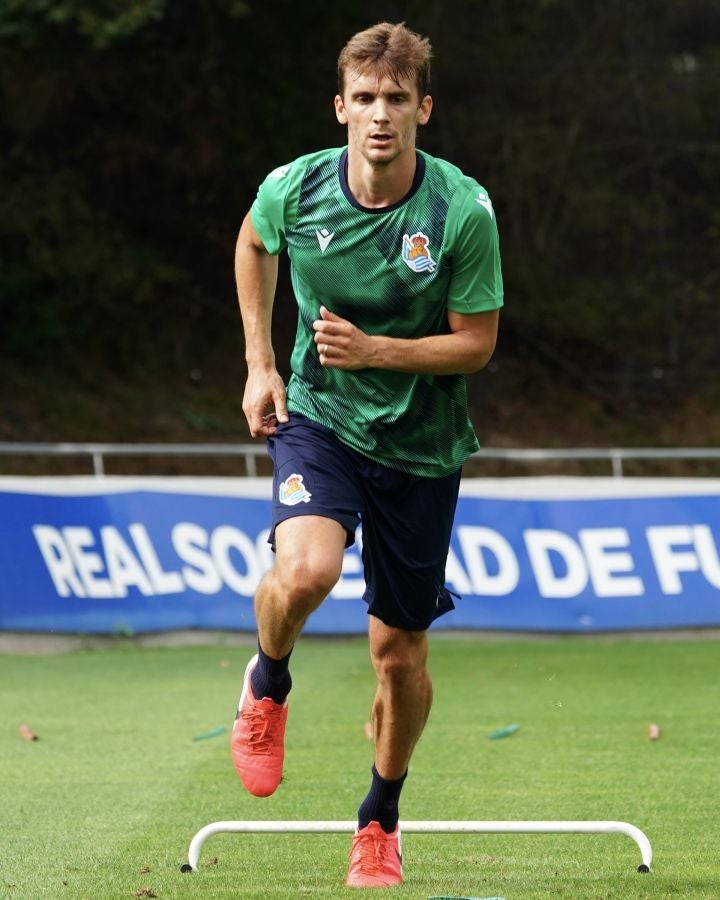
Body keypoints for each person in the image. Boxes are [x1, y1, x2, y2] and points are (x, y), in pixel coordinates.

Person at [231, 21, 503, 889]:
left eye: (396, 99)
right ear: (340, 106)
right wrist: (262, 364)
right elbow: (252, 244)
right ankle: (268, 680)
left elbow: (477, 345)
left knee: (400, 658)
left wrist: (378, 349)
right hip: (320, 417)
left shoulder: (461, 211)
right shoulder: (296, 188)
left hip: (422, 448)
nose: (379, 116)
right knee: (304, 572)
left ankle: (379, 820)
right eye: (364, 99)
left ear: (422, 109)